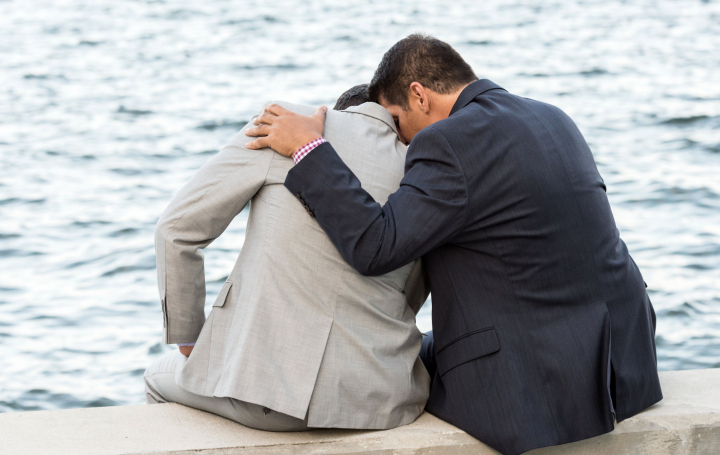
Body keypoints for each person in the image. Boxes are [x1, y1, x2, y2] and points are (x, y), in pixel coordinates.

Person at [244, 34, 663, 454]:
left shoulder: (447, 141)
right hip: (624, 354)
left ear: (419, 96)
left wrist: (308, 147)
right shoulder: (552, 116)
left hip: (540, 378)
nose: (399, 140)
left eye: (395, 121)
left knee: (388, 363)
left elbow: (375, 245)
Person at [144, 85, 431, 432]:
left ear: (338, 113)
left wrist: (190, 344)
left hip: (267, 396)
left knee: (156, 377)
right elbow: (411, 294)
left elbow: (175, 231)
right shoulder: (422, 176)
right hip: (382, 400)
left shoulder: (282, 126)